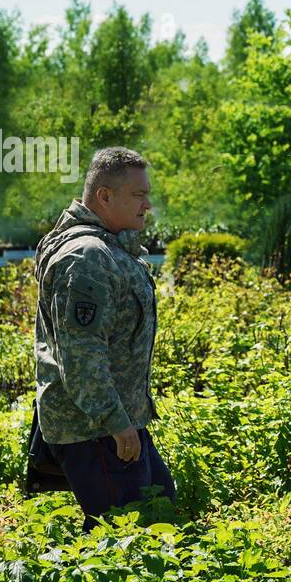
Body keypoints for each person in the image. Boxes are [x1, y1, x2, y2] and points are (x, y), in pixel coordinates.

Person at [33, 146, 176, 531]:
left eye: (147, 194)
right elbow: (81, 356)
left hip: (114, 424)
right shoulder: (87, 257)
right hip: (97, 430)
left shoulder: (105, 247)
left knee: (160, 513)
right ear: (105, 196)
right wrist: (116, 422)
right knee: (125, 537)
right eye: (138, 195)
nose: (147, 205)